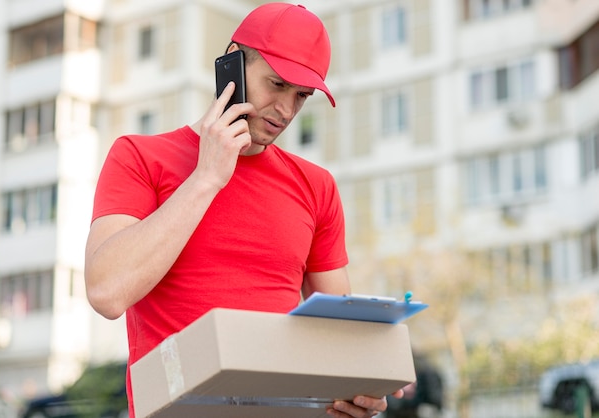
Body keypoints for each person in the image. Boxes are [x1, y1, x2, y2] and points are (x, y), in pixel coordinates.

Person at [84, 3, 401, 417]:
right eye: (276, 84)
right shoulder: (140, 157)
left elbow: (338, 339)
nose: (286, 110)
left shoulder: (316, 186)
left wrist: (358, 393)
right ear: (233, 61)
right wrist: (206, 178)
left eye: (301, 96)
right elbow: (107, 293)